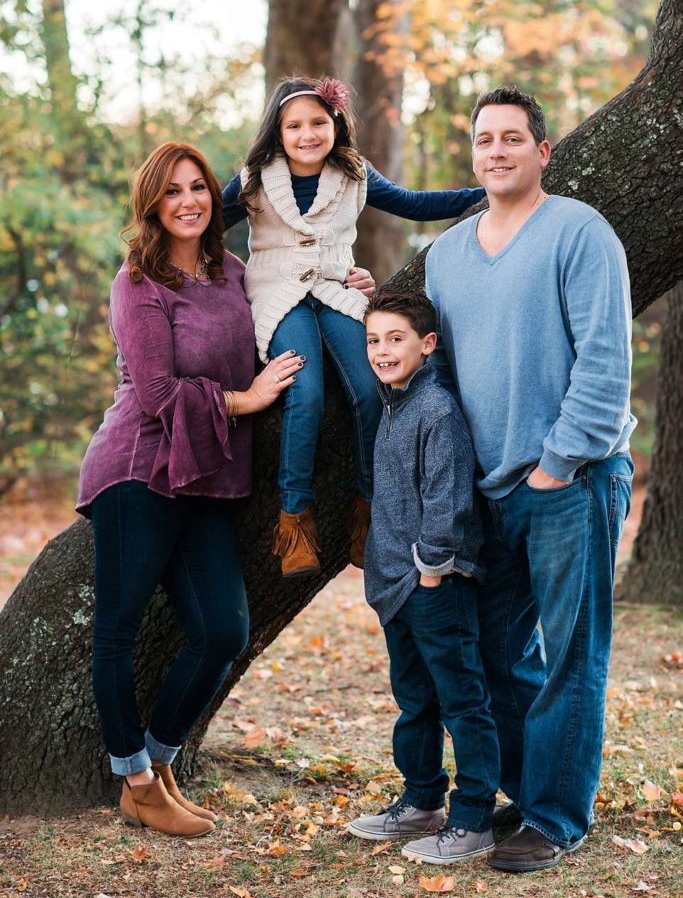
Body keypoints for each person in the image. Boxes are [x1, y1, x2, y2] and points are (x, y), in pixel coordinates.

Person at [425, 85, 635, 872]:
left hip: (568, 481)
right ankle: (524, 788)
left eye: (514, 138)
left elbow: (605, 364)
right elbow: (431, 365)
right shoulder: (446, 255)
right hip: (486, 489)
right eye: (485, 139)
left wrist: (556, 465)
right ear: (472, 155)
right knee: (493, 656)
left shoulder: (579, 232)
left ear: (542, 152)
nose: (498, 151)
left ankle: (554, 816)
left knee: (571, 654)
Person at [77, 142, 302, 837]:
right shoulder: (137, 283)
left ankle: (159, 759)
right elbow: (153, 392)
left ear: (214, 197)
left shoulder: (231, 271)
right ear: (153, 205)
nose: (187, 201)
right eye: (171, 191)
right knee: (117, 629)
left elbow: (278, 312)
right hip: (139, 470)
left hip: (204, 477)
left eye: (197, 188)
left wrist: (342, 283)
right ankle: (135, 781)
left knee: (222, 630)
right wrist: (248, 398)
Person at [222, 76, 486, 577]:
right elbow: (206, 219)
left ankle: (367, 510)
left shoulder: (354, 173)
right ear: (277, 132)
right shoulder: (256, 178)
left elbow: (413, 203)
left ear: (335, 122)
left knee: (372, 388)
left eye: (317, 122)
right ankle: (294, 517)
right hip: (279, 298)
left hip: (334, 290)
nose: (307, 134)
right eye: (294, 125)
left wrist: (484, 192)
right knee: (307, 391)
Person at [346, 288, 499, 865]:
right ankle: (421, 801)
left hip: (436, 585)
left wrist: (432, 571)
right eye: (373, 340)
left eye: (395, 339)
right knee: (415, 702)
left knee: (462, 703)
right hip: (396, 590)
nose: (382, 351)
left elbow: (447, 498)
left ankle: (474, 819)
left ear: (427, 344)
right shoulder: (393, 403)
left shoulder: (436, 409)